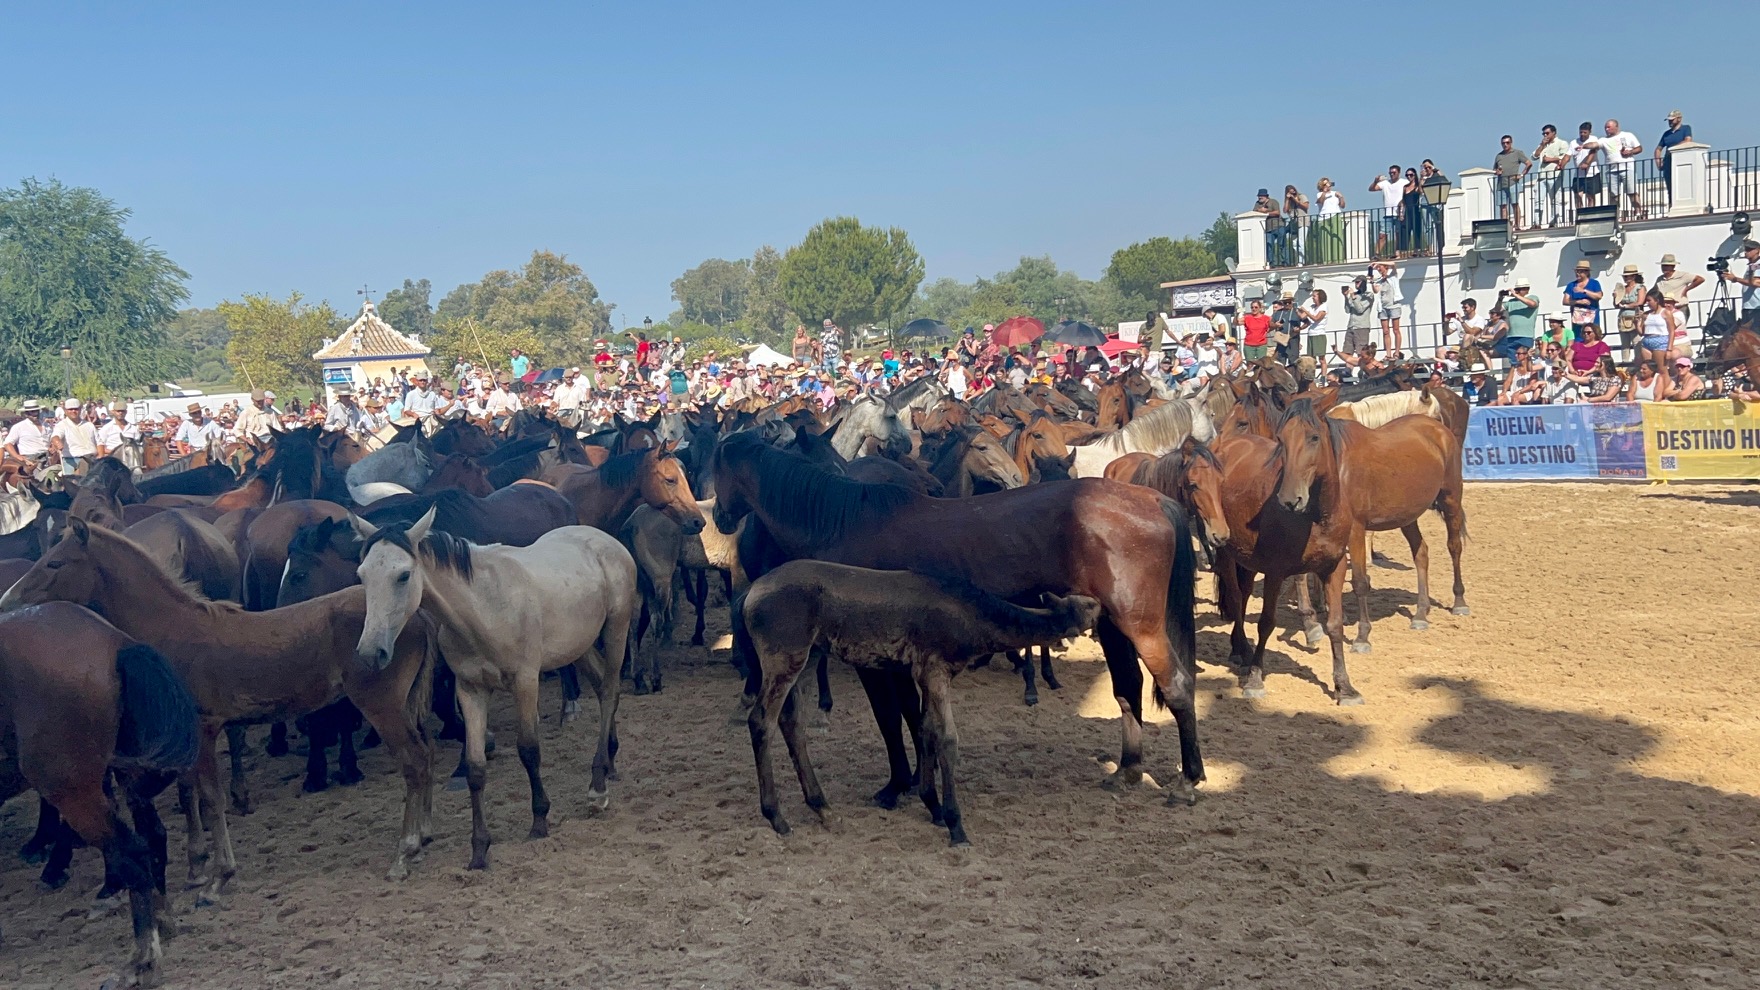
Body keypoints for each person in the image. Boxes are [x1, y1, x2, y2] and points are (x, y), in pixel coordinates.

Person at [1600, 119, 1645, 218]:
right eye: (1605, 128)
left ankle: (1638, 212)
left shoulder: (1628, 135)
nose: (1606, 129)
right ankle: (1615, 215)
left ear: (1616, 126)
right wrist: (1585, 145)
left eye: (1609, 127)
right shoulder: (1603, 140)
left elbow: (1639, 148)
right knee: (1613, 195)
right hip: (1611, 170)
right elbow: (1595, 145)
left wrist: (1631, 152)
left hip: (1627, 167)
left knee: (1632, 192)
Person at [1532, 124, 1572, 226]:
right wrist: (1541, 145)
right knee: (1538, 201)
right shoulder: (1542, 145)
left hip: (1554, 176)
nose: (1545, 135)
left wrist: (1550, 159)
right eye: (1544, 133)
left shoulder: (1561, 143)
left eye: (1547, 133)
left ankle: (1553, 222)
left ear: (1554, 133)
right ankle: (1536, 223)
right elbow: (1534, 156)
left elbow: (1565, 157)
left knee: (1554, 200)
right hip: (1541, 177)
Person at [49, 398, 98, 476]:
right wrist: (57, 442)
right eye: (70, 409)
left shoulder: (89, 425)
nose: (73, 411)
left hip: (92, 460)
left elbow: (99, 443)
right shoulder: (62, 425)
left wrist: (101, 458)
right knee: (72, 484)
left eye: (76, 409)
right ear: (65, 410)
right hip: (72, 461)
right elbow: (55, 436)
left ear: (80, 409)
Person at [1654, 110, 1693, 205]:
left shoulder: (1686, 128)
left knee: (1683, 185)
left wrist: (1673, 148)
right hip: (1668, 162)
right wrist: (1658, 162)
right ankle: (1671, 205)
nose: (1670, 122)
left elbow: (1688, 140)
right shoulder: (1666, 134)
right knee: (1670, 186)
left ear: (1679, 119)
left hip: (1681, 162)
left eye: (1672, 120)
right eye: (1669, 120)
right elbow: (1658, 149)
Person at [1493, 134, 1532, 228]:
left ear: (1511, 143)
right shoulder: (1499, 156)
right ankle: (1505, 226)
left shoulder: (1517, 153)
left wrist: (1522, 175)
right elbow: (1494, 170)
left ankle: (1517, 224)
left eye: (1507, 143)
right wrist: (1497, 172)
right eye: (1503, 143)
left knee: (1515, 204)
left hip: (1513, 183)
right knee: (1502, 206)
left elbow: (1529, 163)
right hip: (1501, 184)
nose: (1505, 145)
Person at [1636, 288, 1675, 380]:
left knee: (1661, 370)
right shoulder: (1646, 315)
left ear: (1657, 300)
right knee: (1648, 370)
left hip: (1660, 341)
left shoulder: (1666, 313)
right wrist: (1636, 323)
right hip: (1647, 341)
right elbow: (1642, 333)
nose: (1647, 303)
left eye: (1649, 301)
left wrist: (1669, 349)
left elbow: (1672, 331)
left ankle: (1665, 390)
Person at [3, 399, 50, 469]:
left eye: (37, 411)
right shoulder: (19, 427)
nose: (35, 414)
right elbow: (7, 444)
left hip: (48, 457)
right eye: (32, 412)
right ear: (26, 414)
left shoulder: (47, 425)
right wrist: (17, 456)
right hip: (30, 459)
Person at [1567, 121, 1603, 209]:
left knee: (1590, 196)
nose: (1582, 134)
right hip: (1578, 174)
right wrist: (1561, 165)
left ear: (1589, 132)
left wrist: (1587, 163)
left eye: (1584, 132)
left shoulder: (1594, 139)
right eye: (1581, 132)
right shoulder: (1573, 142)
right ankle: (1580, 212)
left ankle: (1591, 213)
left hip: (1592, 173)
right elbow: (1567, 155)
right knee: (1578, 195)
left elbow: (1593, 151)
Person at [1720, 239, 1760, 317]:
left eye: (1749, 250)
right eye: (1745, 249)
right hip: (1749, 306)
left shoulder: (1758, 265)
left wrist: (1736, 279)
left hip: (1756, 307)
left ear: (1757, 250)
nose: (1746, 252)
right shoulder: (1752, 264)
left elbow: (1756, 282)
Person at [1370, 166, 1404, 258]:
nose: (1392, 174)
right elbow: (1371, 189)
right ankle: (1377, 254)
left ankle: (1397, 253)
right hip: (1387, 214)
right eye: (1390, 173)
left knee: (1398, 234)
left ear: (1399, 173)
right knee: (1382, 235)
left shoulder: (1404, 182)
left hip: (1399, 213)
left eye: (1394, 172)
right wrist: (1376, 181)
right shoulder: (1385, 183)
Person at [1564, 260, 1603, 339]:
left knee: (1593, 339)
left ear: (1587, 272)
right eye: (1576, 271)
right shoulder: (1571, 285)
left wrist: (1584, 291)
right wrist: (1578, 301)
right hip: (1578, 320)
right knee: (1579, 340)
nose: (1577, 273)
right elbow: (1565, 301)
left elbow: (1599, 296)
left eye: (1580, 272)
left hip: (1592, 319)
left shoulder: (1594, 283)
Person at [1311, 177, 1345, 264]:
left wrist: (1341, 197)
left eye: (1328, 183)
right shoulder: (1320, 194)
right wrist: (1324, 192)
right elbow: (1320, 201)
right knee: (1326, 239)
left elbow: (1342, 206)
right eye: (1325, 184)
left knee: (1336, 237)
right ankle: (1327, 260)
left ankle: (1338, 259)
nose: (1328, 185)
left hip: (1335, 215)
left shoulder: (1335, 193)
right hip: (1324, 217)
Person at [1372, 262, 1404, 353]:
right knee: (1385, 331)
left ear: (1385, 267)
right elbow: (1376, 291)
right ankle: (1388, 353)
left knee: (1396, 329)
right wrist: (1372, 282)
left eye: (1379, 267)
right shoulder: (1379, 280)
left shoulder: (1392, 276)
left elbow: (1393, 264)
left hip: (1394, 306)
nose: (1378, 269)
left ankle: (1397, 352)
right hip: (1383, 308)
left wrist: (1378, 262)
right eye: (1377, 268)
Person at [1253, 188, 1286, 266]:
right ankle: (1272, 263)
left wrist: (1266, 212)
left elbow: (1277, 212)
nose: (1260, 197)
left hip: (1279, 226)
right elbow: (1254, 212)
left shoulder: (1273, 202)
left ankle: (1285, 261)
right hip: (1268, 228)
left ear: (1266, 196)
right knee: (1269, 246)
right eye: (1259, 196)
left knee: (1282, 244)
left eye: (1261, 196)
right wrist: (1259, 210)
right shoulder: (1257, 203)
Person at [1398, 167, 1423, 256]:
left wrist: (1420, 180)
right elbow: (1403, 201)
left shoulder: (1417, 186)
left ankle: (1417, 249)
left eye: (1411, 175)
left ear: (1414, 175)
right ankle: (1404, 250)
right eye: (1407, 175)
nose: (1409, 177)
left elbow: (1421, 191)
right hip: (1407, 211)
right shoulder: (1405, 187)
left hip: (1415, 210)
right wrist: (1401, 213)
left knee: (1416, 230)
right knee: (1405, 229)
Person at [1284, 184, 1311, 266]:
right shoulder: (1289, 202)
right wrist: (1288, 200)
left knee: (1301, 242)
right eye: (1289, 190)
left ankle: (1301, 261)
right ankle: (1299, 259)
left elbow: (1306, 207)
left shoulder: (1302, 196)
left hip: (1303, 222)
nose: (1291, 191)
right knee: (1295, 243)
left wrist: (1296, 200)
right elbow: (1285, 210)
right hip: (1294, 223)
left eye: (1292, 189)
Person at [1299, 289, 1329, 360]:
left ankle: (1323, 371)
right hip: (1311, 334)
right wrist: (1298, 310)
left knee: (1321, 358)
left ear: (1320, 297)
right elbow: (1302, 316)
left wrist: (1306, 311)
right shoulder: (1312, 306)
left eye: (1314, 296)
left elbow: (1316, 319)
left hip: (1319, 334)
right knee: (1311, 358)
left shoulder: (1323, 307)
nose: (1312, 298)